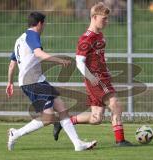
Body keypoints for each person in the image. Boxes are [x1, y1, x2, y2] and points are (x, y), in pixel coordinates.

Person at [6, 11, 97, 151]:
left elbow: (12, 64)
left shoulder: (20, 39)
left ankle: (77, 144)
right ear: (40, 24)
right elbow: (38, 53)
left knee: (62, 109)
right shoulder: (32, 35)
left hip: (37, 81)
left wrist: (10, 82)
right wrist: (59, 60)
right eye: (44, 24)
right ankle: (16, 133)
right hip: (33, 83)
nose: (44, 27)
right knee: (48, 118)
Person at [54, 2, 133, 147]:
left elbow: (99, 57)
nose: (107, 21)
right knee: (115, 103)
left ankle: (65, 122)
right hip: (95, 79)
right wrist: (91, 78)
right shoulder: (86, 38)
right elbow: (79, 62)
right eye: (104, 19)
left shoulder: (100, 36)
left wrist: (106, 70)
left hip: (102, 78)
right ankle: (120, 140)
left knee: (96, 118)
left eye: (107, 19)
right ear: (94, 17)